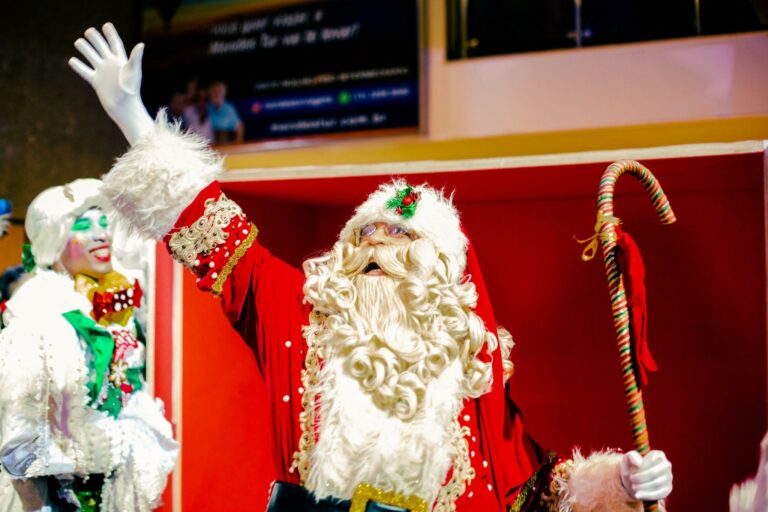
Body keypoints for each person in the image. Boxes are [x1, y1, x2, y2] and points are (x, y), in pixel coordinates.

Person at [69, 23, 673, 511]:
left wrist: (621, 481)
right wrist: (134, 119)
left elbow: (535, 493)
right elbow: (214, 232)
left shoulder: (470, 363)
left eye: (402, 235)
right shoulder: (302, 315)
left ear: (442, 270)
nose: (379, 247)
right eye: (367, 233)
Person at [0, 178, 178, 511]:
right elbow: (19, 438)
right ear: (54, 242)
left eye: (104, 223)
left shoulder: (112, 314)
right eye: (83, 225)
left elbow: (130, 392)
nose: (102, 234)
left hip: (104, 492)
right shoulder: (39, 316)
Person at [207, 80, 244, 144]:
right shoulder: (207, 107)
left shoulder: (229, 109)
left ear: (224, 94)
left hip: (226, 144)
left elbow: (240, 127)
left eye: (219, 91)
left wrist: (237, 144)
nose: (216, 94)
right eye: (214, 91)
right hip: (210, 143)